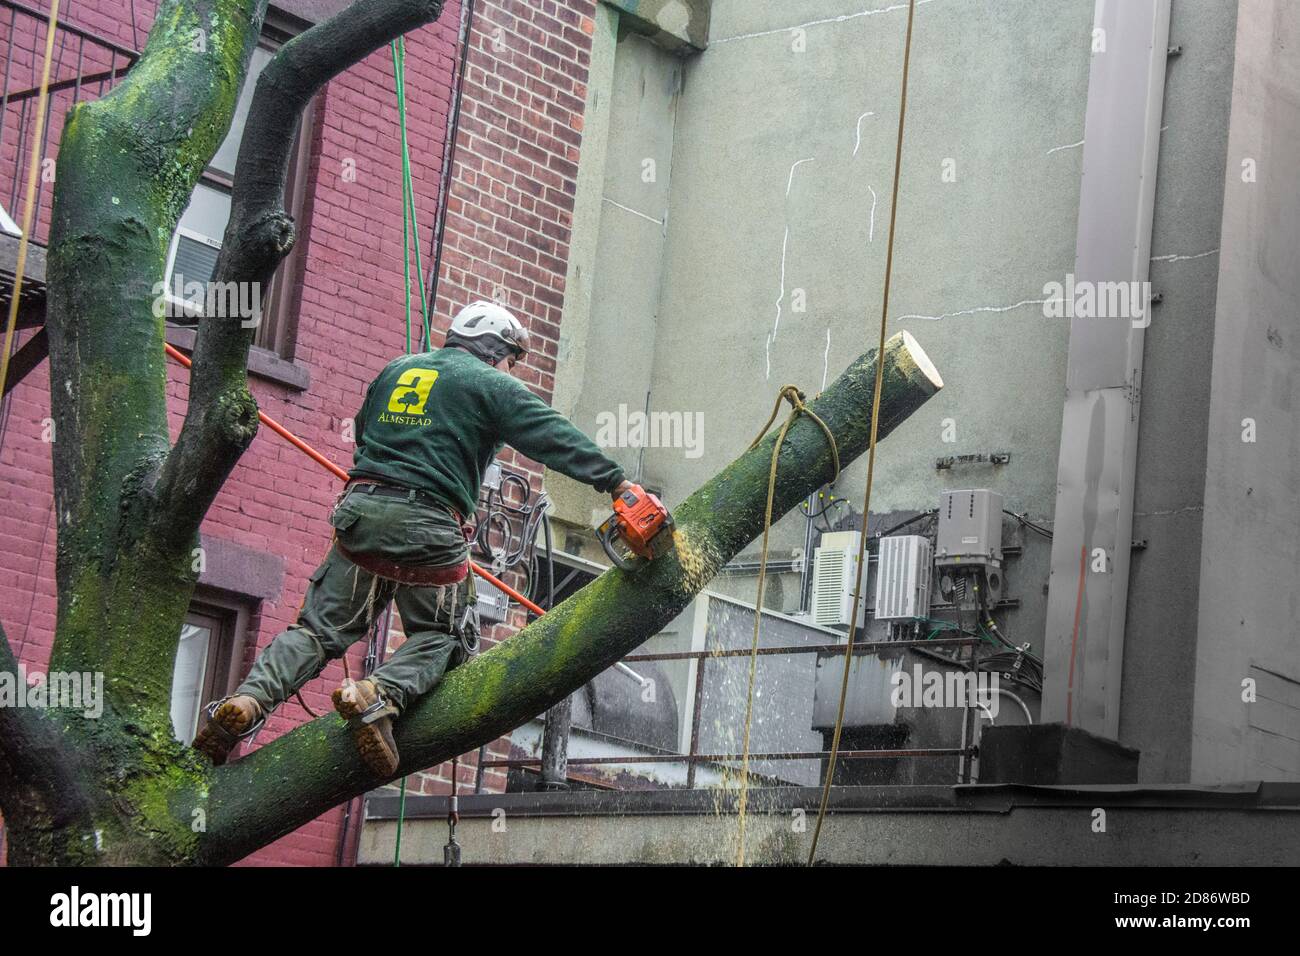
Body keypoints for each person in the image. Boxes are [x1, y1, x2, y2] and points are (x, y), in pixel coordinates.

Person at [193, 301, 632, 776]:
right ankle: (377, 694)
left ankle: (248, 700)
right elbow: (552, 436)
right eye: (511, 359)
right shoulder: (489, 382)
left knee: (319, 631)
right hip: (429, 523)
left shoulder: (397, 368)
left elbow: (363, 433)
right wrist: (616, 482)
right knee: (445, 634)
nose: (510, 369)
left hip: (360, 513)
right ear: (496, 349)